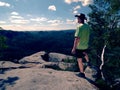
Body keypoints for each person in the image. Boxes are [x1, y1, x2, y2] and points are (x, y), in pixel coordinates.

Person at [71, 13, 91, 77]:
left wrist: (74, 48)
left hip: (79, 46)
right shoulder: (87, 26)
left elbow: (77, 39)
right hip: (85, 45)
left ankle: (82, 73)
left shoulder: (79, 27)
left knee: (79, 60)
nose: (77, 19)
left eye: (78, 18)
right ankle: (88, 62)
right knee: (84, 53)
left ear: (80, 19)